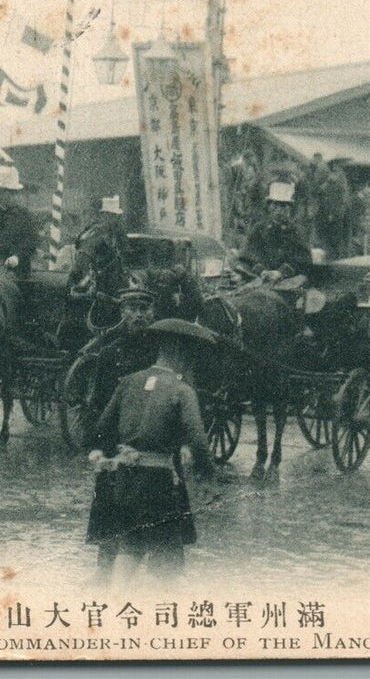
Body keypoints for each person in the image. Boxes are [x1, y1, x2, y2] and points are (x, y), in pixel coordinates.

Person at [86, 318, 219, 581]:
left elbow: (102, 427)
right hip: (159, 484)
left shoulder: (129, 382)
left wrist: (108, 454)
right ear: (183, 355)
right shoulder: (182, 391)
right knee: (168, 560)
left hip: (123, 480)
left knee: (129, 548)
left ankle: (118, 604)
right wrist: (207, 474)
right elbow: (198, 440)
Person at [69, 283, 159, 450]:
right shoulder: (109, 353)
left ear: (152, 313)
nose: (139, 315)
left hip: (151, 441)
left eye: (144, 309)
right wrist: (94, 442)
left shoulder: (160, 353)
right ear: (122, 313)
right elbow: (98, 401)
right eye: (132, 309)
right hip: (116, 439)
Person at [240, 182, 312, 277]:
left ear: (289, 209)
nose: (279, 210)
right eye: (275, 205)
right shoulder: (259, 229)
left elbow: (305, 261)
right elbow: (247, 257)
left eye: (283, 206)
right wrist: (261, 271)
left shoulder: (296, 231)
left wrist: (281, 272)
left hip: (287, 280)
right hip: (261, 278)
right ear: (269, 207)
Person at [70, 196, 129, 296]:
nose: (114, 218)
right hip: (95, 275)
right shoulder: (96, 231)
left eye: (115, 216)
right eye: (111, 215)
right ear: (104, 215)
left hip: (113, 275)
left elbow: (125, 250)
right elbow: (84, 252)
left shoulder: (116, 231)